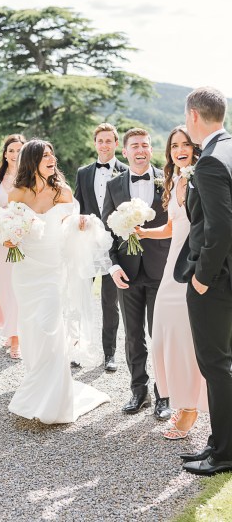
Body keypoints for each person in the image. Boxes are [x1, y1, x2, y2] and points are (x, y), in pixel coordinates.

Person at [7, 139, 110, 424]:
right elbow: (8, 233)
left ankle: (56, 396)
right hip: (26, 271)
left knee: (50, 325)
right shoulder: (16, 193)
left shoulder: (62, 192)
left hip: (52, 269)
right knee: (30, 327)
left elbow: (69, 227)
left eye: (53, 153)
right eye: (45, 155)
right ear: (32, 161)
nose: (52, 158)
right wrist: (8, 236)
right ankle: (36, 382)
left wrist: (80, 224)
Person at [174, 87, 232, 475]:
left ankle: (225, 454)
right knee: (222, 363)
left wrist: (202, 277)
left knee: (215, 363)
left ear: (193, 115)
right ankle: (217, 443)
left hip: (216, 279)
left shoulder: (210, 160)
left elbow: (220, 226)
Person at [136, 127, 207, 439]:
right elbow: (172, 225)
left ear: (194, 149)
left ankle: (191, 407)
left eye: (186, 145)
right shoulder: (176, 179)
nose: (180, 149)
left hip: (193, 267)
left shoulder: (201, 179)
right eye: (174, 145)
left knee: (186, 338)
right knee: (163, 336)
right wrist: (144, 232)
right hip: (170, 270)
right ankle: (180, 398)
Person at [102, 128, 171, 419]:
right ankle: (138, 391)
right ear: (125, 151)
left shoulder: (167, 180)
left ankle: (164, 395)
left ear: (151, 150)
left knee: (161, 336)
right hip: (126, 272)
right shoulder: (114, 185)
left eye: (145, 145)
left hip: (162, 271)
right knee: (133, 336)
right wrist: (113, 266)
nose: (140, 150)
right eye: (134, 146)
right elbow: (106, 233)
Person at [75, 123, 128, 372]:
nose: (104, 145)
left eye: (109, 141)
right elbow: (77, 205)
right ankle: (79, 349)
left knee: (110, 302)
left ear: (116, 144)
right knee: (80, 297)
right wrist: (79, 219)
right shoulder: (83, 173)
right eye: (100, 141)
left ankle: (109, 354)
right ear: (95, 143)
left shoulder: (126, 171)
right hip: (87, 246)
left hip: (114, 247)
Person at [0, 134, 26, 359]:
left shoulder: (30, 178)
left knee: (18, 285)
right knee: (3, 285)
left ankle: (17, 339)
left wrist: (20, 230)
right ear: (5, 153)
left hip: (23, 239)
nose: (15, 155)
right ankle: (10, 330)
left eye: (19, 150)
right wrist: (0, 229)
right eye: (11, 150)